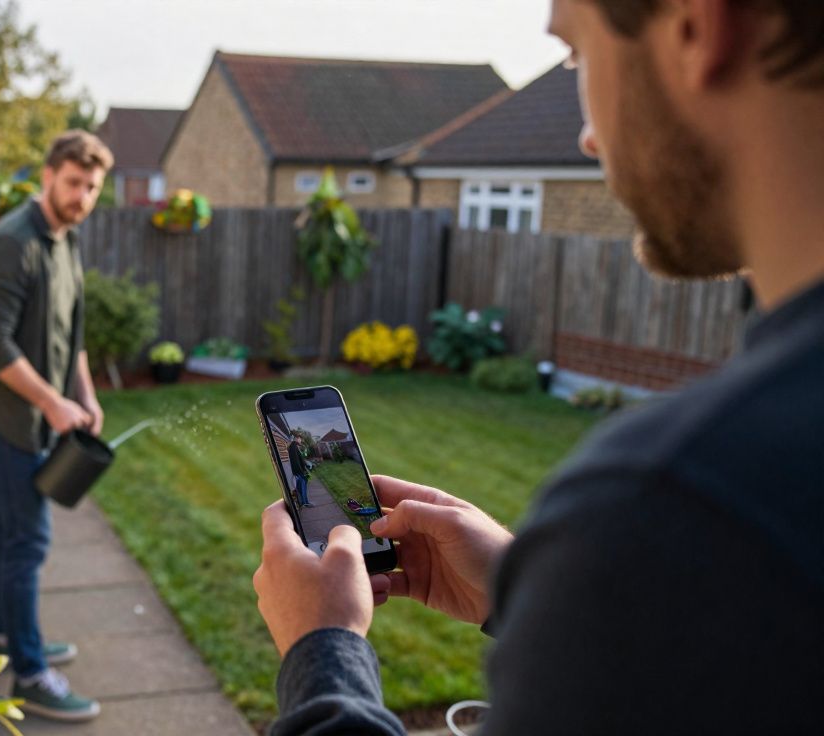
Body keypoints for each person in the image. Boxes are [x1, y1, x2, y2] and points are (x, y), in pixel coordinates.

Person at [252, 1, 824, 733]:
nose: (587, 135)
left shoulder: (681, 508)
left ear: (697, 25)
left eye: (577, 56)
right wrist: (532, 594)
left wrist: (321, 653)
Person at [0, 130, 113, 722]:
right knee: (29, 539)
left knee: (5, 528)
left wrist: (85, 396)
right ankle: (28, 671)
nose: (81, 197)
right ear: (47, 176)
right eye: (73, 183)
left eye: (92, 187)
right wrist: (51, 404)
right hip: (7, 418)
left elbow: (70, 336)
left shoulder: (64, 240)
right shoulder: (11, 244)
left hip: (35, 412)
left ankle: (2, 637)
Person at [289, 435, 312, 507]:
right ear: (297, 439)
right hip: (299, 472)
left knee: (302, 488)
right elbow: (295, 461)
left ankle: (305, 502)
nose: (301, 441)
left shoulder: (295, 447)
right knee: (302, 488)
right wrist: (302, 472)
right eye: (300, 439)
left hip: (299, 471)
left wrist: (305, 464)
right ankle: (304, 503)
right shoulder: (293, 447)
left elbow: (300, 459)